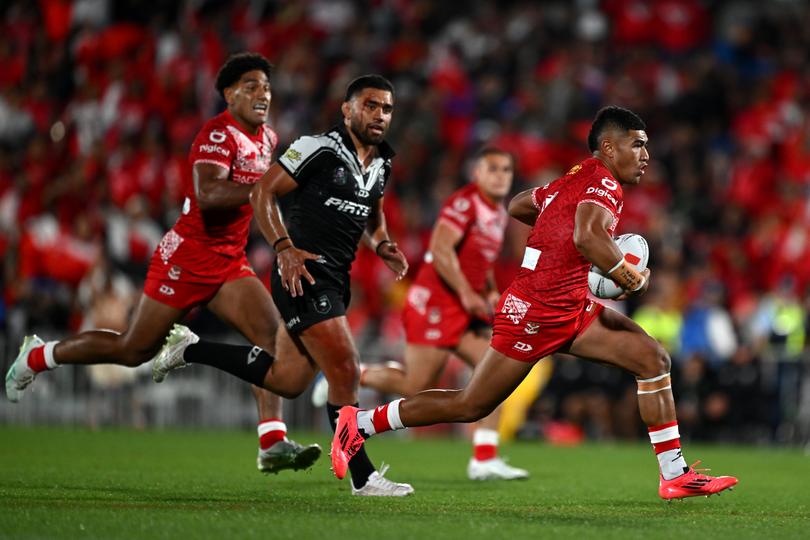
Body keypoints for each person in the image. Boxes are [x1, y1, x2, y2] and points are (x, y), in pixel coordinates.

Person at [330, 106, 739, 501]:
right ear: (609, 148)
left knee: (652, 359)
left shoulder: (575, 178)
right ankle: (359, 423)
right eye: (637, 145)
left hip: (569, 305)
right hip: (537, 312)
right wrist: (632, 278)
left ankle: (675, 476)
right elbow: (588, 237)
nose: (646, 155)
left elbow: (520, 204)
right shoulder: (603, 183)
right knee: (471, 403)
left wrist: (555, 226)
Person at [5, 52, 321, 475]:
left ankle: (272, 441)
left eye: (265, 85)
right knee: (133, 349)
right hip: (187, 258)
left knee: (275, 341)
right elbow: (208, 196)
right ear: (229, 94)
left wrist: (282, 242)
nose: (262, 92)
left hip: (229, 262)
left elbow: (262, 202)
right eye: (251, 85)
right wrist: (265, 185)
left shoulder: (267, 139)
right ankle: (40, 355)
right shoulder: (216, 134)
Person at [150, 75, 414, 497]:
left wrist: (381, 243)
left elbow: (372, 212)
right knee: (346, 366)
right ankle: (363, 477)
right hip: (302, 272)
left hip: (336, 278)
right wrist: (284, 248)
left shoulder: (382, 162)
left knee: (288, 379)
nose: (379, 115)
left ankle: (187, 349)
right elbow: (262, 194)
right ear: (347, 110)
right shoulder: (317, 148)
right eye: (370, 105)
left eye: (386, 108)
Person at [312, 147, 529, 480]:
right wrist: (467, 293)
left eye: (506, 170)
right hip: (436, 305)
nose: (501, 176)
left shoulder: (498, 213)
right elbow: (441, 252)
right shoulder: (464, 203)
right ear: (477, 173)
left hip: (462, 308)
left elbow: (480, 261)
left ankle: (484, 458)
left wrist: (486, 289)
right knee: (416, 384)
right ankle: (349, 374)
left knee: (495, 374)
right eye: (493, 169)